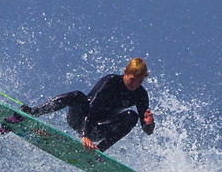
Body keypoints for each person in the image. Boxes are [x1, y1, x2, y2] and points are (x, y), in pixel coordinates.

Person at [22, 58, 156, 152]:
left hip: (99, 128)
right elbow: (93, 107)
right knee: (77, 95)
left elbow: (147, 131)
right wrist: (85, 135)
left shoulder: (140, 94)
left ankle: (100, 150)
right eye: (133, 79)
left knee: (132, 116)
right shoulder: (111, 81)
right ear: (125, 72)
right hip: (81, 119)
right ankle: (34, 112)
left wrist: (149, 124)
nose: (135, 84)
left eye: (140, 81)